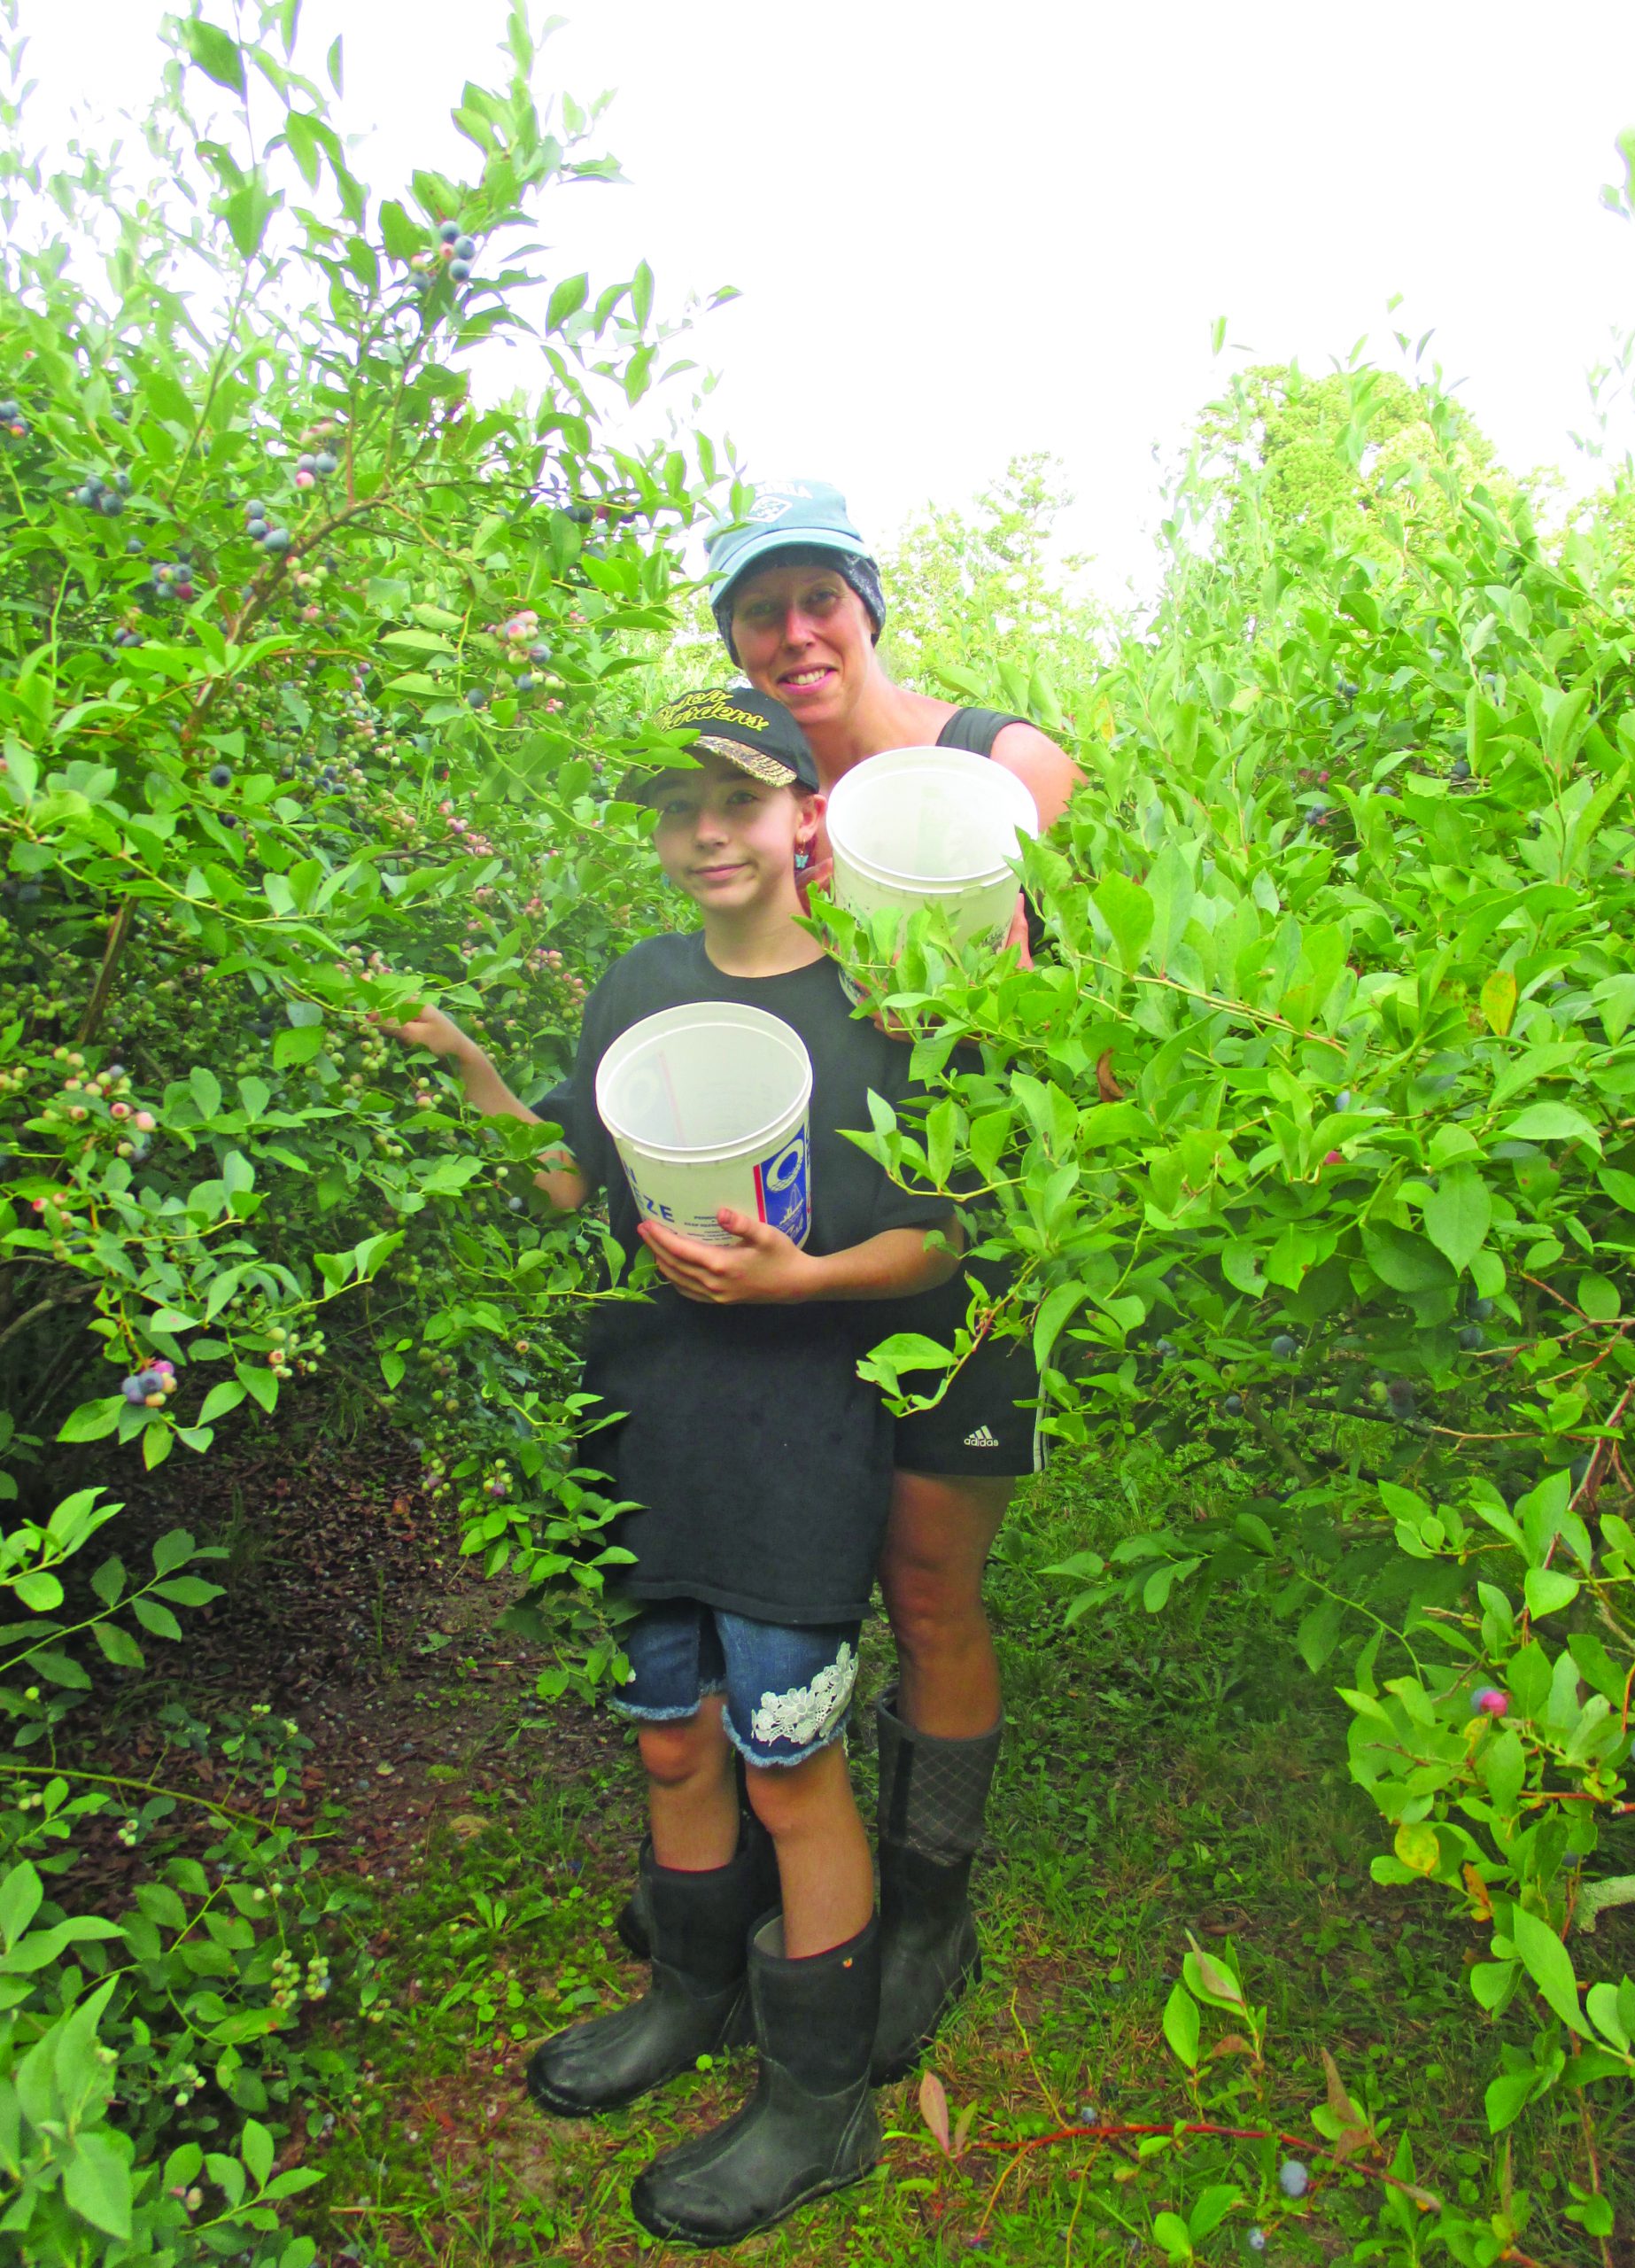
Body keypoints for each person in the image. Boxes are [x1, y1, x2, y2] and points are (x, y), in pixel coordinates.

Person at [386, 687, 958, 2249]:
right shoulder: (639, 986)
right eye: (676, 809)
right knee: (667, 1738)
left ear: (804, 821)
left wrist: (805, 1282)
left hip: (807, 1423)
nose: (705, 833)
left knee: (791, 1757)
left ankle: (815, 2102)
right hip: (647, 1411)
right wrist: (469, 1071)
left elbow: (954, 1235)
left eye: (738, 803)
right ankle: (686, 2001)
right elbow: (575, 1173)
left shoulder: (887, 997)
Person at [708, 479, 1082, 2085]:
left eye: (819, 599)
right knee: (790, 1559)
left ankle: (931, 1899)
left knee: (929, 1583)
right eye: (759, 608)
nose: (795, 634)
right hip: (796, 1233)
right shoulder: (751, 772)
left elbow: (1086, 1026)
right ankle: (782, 1861)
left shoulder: (1004, 762)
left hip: (961, 1243)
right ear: (732, 633)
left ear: (868, 602)